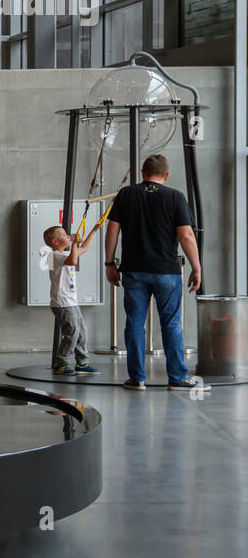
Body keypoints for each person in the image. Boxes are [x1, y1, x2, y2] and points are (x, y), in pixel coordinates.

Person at [104, 154, 202, 390]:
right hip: (166, 272)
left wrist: (109, 264)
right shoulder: (175, 197)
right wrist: (196, 267)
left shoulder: (126, 195)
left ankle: (136, 379)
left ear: (142, 172)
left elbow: (112, 229)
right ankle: (177, 378)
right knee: (171, 324)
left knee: (135, 323)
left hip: (133, 271)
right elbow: (186, 235)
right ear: (166, 175)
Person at [43, 224, 101, 376]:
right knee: (72, 333)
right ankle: (61, 363)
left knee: (81, 332)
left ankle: (82, 363)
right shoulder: (53, 256)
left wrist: (93, 231)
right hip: (62, 303)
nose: (68, 236)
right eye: (64, 235)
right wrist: (75, 243)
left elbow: (84, 249)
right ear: (55, 242)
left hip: (71, 302)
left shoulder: (64, 254)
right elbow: (73, 261)